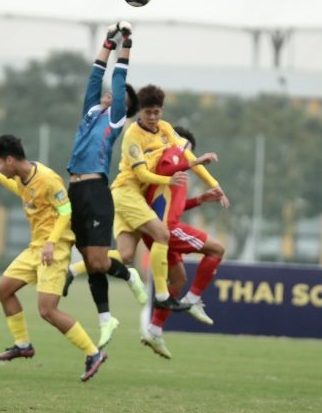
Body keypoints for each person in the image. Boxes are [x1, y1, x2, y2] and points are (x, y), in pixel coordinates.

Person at [0, 134, 106, 382]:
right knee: (3, 289)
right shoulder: (22, 178)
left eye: (0, 162)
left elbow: (65, 211)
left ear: (10, 159)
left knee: (47, 310)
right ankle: (23, 344)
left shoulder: (48, 179)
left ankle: (94, 352)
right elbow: (19, 190)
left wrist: (50, 243)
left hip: (54, 249)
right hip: (35, 248)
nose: (1, 166)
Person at [64, 21, 147, 349]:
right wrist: (107, 41)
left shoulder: (115, 119)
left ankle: (129, 275)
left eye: (121, 96)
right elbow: (96, 75)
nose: (113, 93)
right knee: (90, 257)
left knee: (98, 261)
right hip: (75, 190)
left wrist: (127, 42)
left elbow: (117, 75)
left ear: (125, 108)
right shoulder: (90, 111)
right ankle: (105, 319)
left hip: (97, 190)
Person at [110, 84, 230, 311]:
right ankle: (162, 295)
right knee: (162, 233)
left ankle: (80, 264)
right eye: (148, 112)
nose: (153, 117)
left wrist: (214, 184)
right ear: (140, 112)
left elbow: (186, 154)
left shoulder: (165, 129)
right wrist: (169, 180)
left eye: (157, 112)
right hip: (127, 191)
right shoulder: (132, 136)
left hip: (137, 196)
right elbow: (142, 173)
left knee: (125, 256)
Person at [140, 126, 226, 359]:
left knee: (177, 279)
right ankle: (193, 300)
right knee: (217, 249)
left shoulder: (173, 172)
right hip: (165, 229)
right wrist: (192, 159)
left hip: (155, 228)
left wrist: (200, 199)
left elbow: (173, 205)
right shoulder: (174, 154)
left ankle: (154, 331)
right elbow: (171, 164)